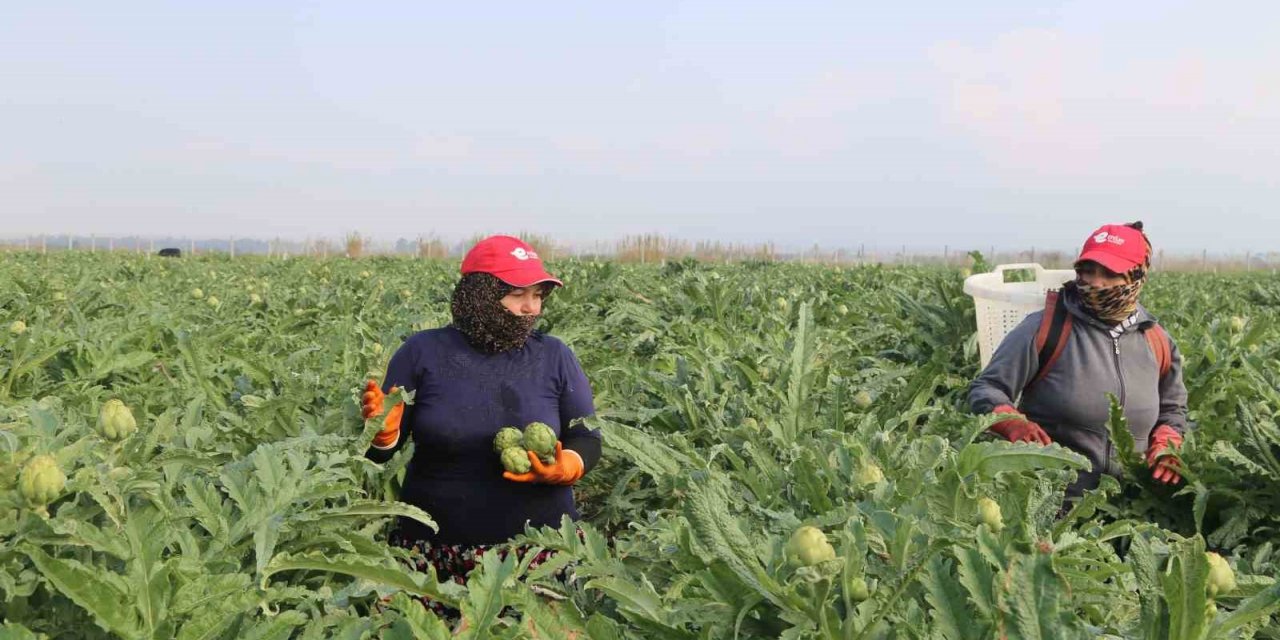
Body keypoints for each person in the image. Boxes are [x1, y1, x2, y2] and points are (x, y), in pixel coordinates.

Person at [359, 235, 602, 609]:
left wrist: (567, 467)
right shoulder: (422, 352)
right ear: (480, 295)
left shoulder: (554, 356)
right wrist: (382, 437)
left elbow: (586, 436)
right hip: (435, 558)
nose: (530, 308)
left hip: (541, 555)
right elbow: (376, 458)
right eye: (519, 294)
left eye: (538, 295)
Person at [969, 222, 1189, 504]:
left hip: (1134, 507)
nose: (1096, 283)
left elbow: (1173, 409)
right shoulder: (1046, 328)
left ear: (1137, 276)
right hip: (1050, 503)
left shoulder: (1157, 341)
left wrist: (1167, 443)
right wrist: (1009, 422)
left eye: (1109, 273)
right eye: (1087, 270)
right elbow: (987, 388)